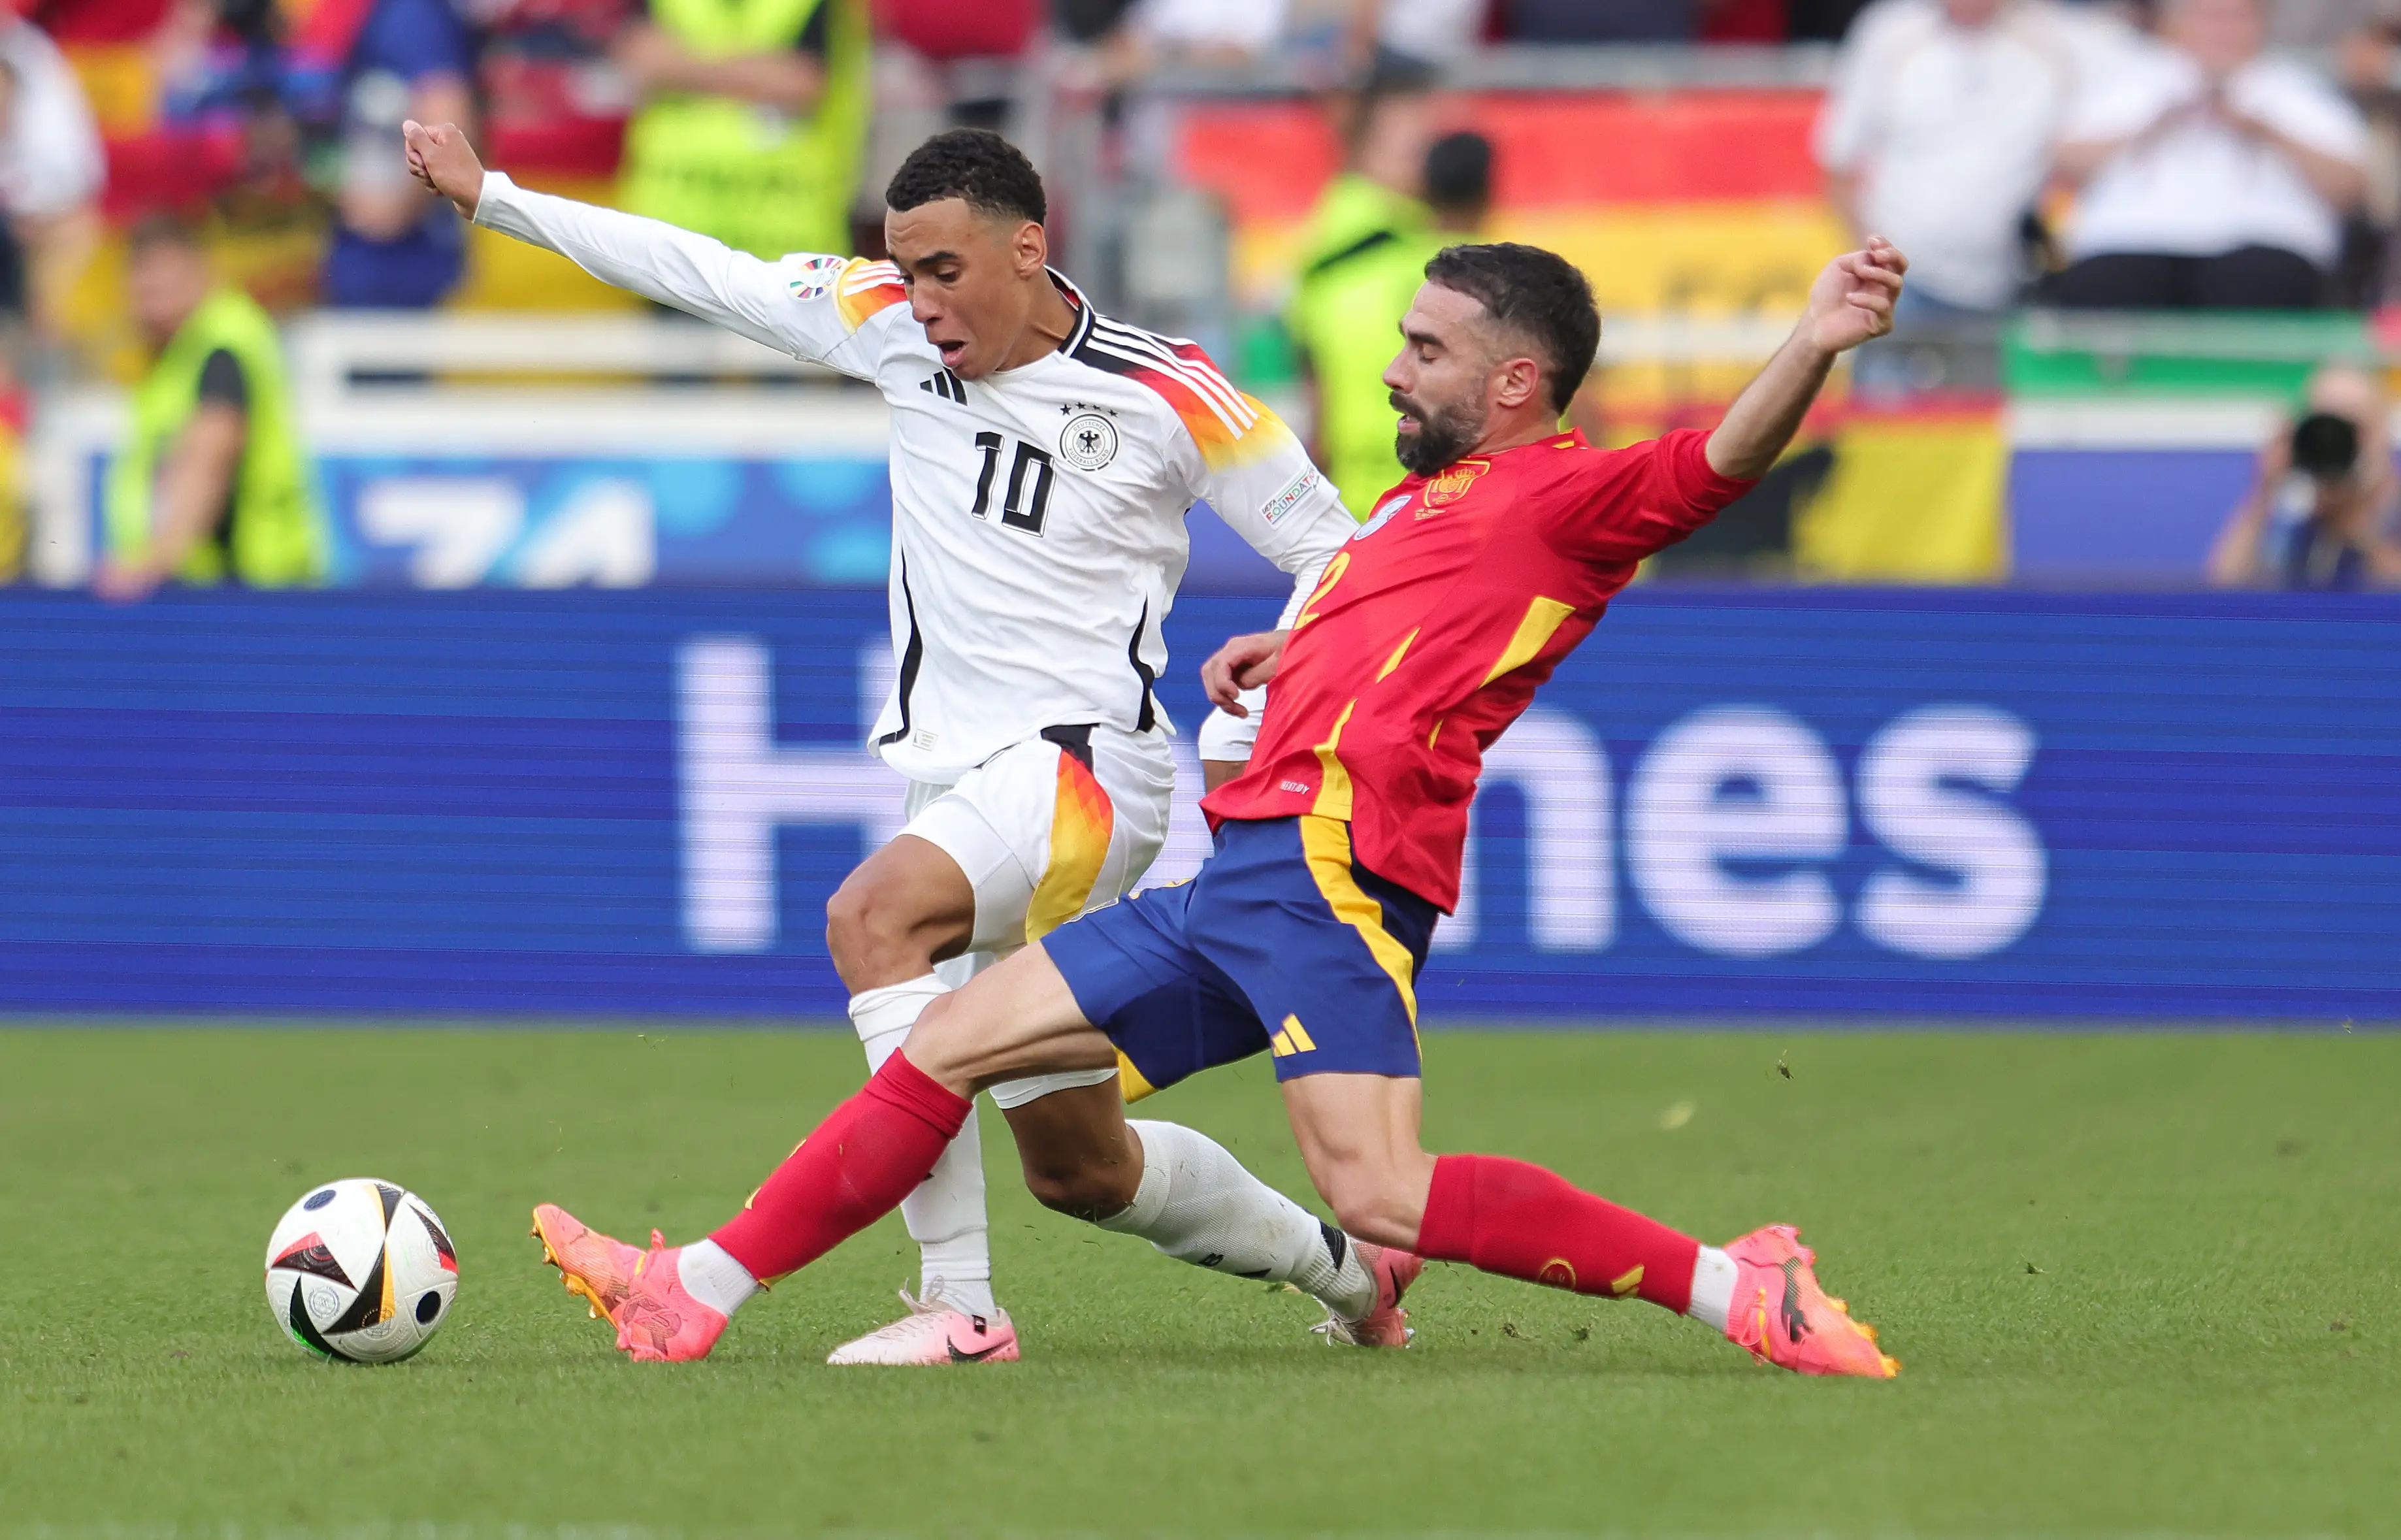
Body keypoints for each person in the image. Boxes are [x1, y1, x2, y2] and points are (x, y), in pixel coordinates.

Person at [564, 235, 1912, 1379]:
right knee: (948, 1044)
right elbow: (1394, 617)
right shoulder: (1411, 509)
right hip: (1238, 877)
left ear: (1516, 380)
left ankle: (1737, 1288)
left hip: (1334, 869)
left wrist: (1811, 339)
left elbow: (1717, 465)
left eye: (1426, 349)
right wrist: (1287, 653)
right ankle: (692, 1286)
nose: (1391, 366)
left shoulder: (1567, 494)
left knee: (1382, 1190)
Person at [402, 122, 1402, 1363]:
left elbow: (1341, 550)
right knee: (1084, 1168)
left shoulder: (1167, 391)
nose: (919, 299)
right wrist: (496, 196)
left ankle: (959, 1305)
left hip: (1089, 766)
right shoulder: (880, 318)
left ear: (1028, 248)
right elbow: (699, 267)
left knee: (875, 922)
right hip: (963, 771)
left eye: (944, 269)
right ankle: (1358, 1278)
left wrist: (1287, 652)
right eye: (903, 267)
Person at [2048, 0, 2370, 310]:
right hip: (2133, 240)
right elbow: (2063, 162)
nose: (2221, 30)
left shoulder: (2297, 90)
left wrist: (2264, 130)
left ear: (2262, 23)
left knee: (2259, 282)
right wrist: (2152, 127)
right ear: (2178, 21)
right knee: (2107, 285)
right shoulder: (2132, 83)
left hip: (2263, 242)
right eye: (2209, 15)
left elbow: (2351, 189)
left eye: (2236, 17)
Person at [1816, 0, 2108, 327]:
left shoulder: (2057, 39)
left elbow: (2147, 69)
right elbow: (1838, 161)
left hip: (2008, 290)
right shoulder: (1892, 33)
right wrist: (1875, 271)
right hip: (1904, 288)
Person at [94, 217, 322, 601]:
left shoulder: (221, 345)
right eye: (141, 284)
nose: (147, 296)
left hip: (249, 587)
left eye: (161, 282)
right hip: (223, 587)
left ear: (197, 273)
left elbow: (211, 452)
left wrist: (153, 560)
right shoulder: (178, 353)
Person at [1290, 109, 1492, 520]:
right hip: (1468, 503)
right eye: (1408, 151)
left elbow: (1316, 403)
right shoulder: (1504, 287)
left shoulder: (1335, 274)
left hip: (1360, 506)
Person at [615, 0, 870, 260]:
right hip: (671, 246)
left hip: (785, 250)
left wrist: (684, 68)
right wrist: (752, 74)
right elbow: (643, 58)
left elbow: (799, 83)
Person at [319, 0, 480, 308]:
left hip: (405, 263)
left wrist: (393, 212)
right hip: (351, 253)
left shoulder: (410, 13)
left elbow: (446, 116)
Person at [2208, 363, 2401, 588]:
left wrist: (2357, 530)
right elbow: (2222, 586)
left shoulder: (2394, 508)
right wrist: (2263, 493)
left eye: (2351, 429)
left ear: (2381, 434)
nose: (2334, 443)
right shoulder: (2293, 515)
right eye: (2323, 427)